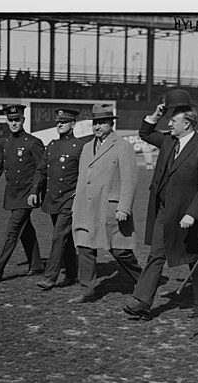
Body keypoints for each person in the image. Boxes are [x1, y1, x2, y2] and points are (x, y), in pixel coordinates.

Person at [123, 89, 198, 321]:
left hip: (189, 216)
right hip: (164, 212)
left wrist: (192, 214)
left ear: (187, 124)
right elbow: (145, 133)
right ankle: (142, 303)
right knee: (156, 255)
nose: (169, 123)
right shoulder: (168, 139)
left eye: (173, 120)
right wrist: (156, 114)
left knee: (194, 259)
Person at [70, 103, 143, 303]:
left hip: (110, 208)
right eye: (95, 123)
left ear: (112, 124)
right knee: (84, 247)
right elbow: (82, 178)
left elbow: (130, 179)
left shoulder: (123, 146)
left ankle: (143, 282)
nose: (98, 127)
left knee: (120, 250)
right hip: (86, 208)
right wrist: (76, 204)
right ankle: (88, 291)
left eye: (102, 122)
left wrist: (124, 207)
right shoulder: (86, 147)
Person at [0, 104, 45, 281]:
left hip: (27, 195)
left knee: (13, 229)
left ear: (23, 120)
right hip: (12, 195)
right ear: (7, 122)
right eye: (11, 120)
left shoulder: (33, 142)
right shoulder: (6, 143)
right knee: (26, 229)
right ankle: (37, 265)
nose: (14, 123)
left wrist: (35, 192)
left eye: (17, 119)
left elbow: (41, 170)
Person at [30, 107, 86, 290]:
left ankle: (50, 276)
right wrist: (33, 191)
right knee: (65, 237)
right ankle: (71, 273)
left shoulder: (80, 147)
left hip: (70, 199)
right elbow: (41, 170)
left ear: (73, 124)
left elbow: (85, 175)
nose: (60, 125)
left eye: (64, 122)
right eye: (58, 122)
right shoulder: (52, 145)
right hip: (53, 198)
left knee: (58, 236)